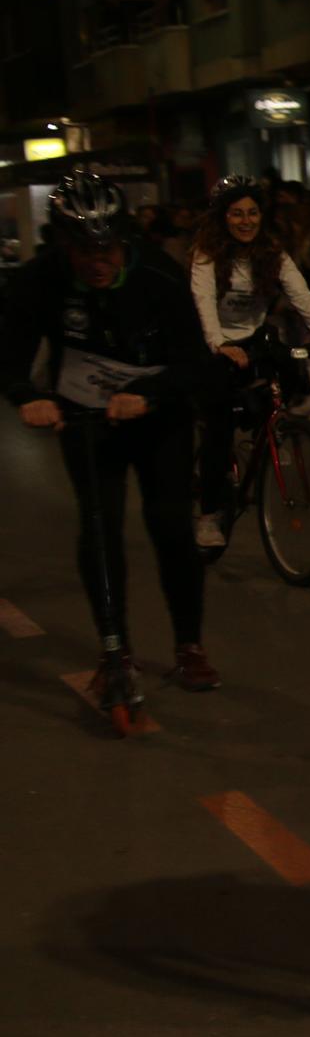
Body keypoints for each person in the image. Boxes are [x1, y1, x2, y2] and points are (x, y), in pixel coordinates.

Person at [1, 174, 219, 694]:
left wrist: (151, 394)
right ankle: (114, 647)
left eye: (107, 249)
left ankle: (189, 645)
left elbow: (196, 364)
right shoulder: (38, 280)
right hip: (85, 418)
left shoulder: (159, 277)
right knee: (99, 527)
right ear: (62, 246)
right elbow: (8, 355)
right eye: (82, 250)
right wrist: (27, 396)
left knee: (170, 527)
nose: (97, 262)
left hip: (158, 417)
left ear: (123, 242)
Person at [188, 177, 310, 548]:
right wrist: (219, 344)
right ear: (223, 218)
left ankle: (271, 434)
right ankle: (209, 514)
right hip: (215, 341)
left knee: (288, 367)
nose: (246, 221)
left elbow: (303, 298)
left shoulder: (272, 252)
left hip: (254, 338)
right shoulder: (206, 253)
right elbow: (203, 303)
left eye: (253, 213)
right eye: (237, 214)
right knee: (218, 427)